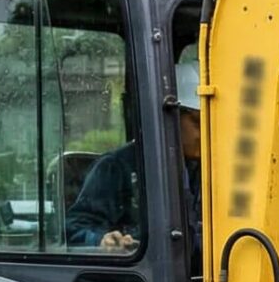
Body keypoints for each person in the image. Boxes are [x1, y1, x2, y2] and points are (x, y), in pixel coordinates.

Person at [68, 44, 202, 253]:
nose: (204, 134)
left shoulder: (203, 170)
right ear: (172, 118)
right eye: (197, 123)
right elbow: (74, 228)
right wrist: (101, 241)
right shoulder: (115, 168)